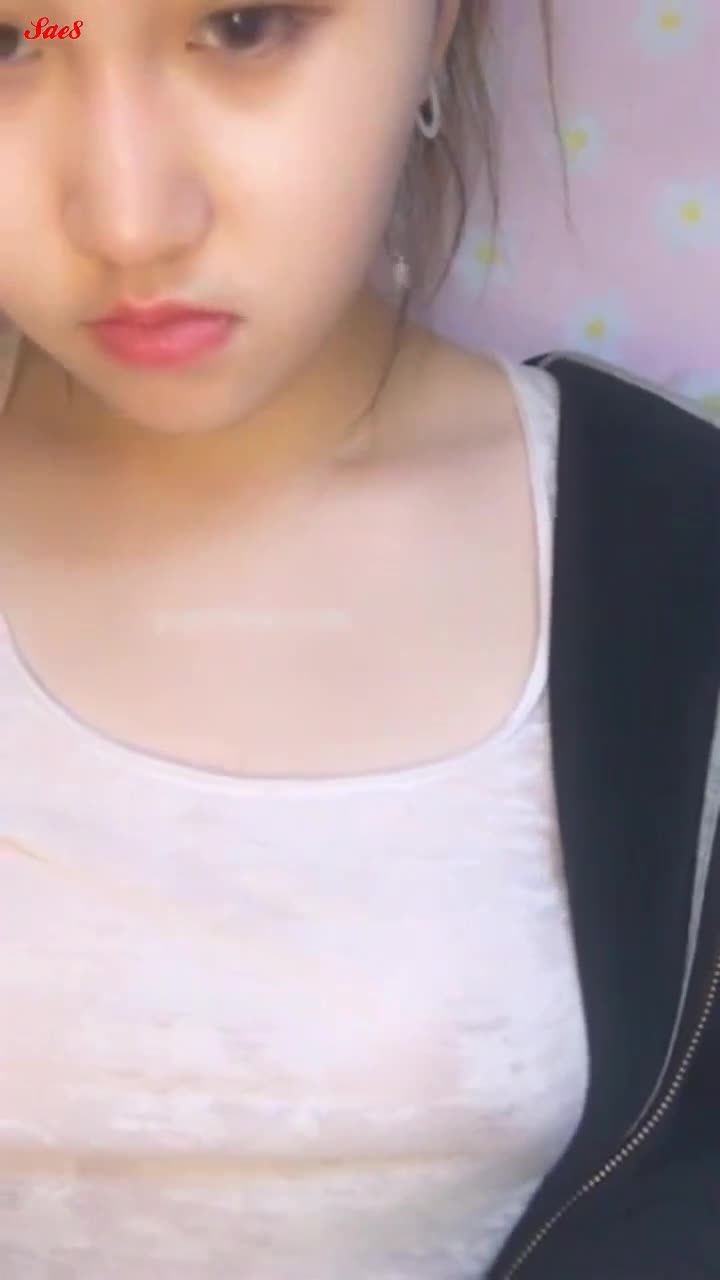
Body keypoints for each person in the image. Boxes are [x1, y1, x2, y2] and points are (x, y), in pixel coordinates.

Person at [0, 2, 717, 1276]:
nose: (129, 219)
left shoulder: (672, 559)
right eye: (9, 44)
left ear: (438, 26)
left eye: (243, 24)